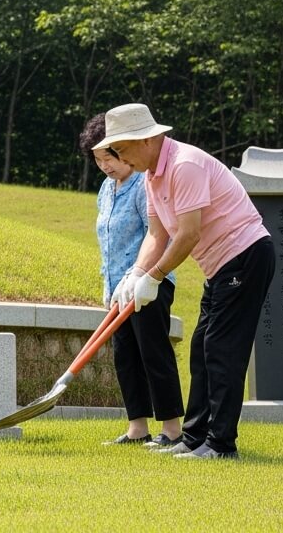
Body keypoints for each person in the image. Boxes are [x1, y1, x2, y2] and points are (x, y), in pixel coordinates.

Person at [99, 103, 274, 461]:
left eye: (122, 148)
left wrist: (156, 276)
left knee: (222, 352)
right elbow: (157, 234)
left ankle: (221, 444)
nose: (119, 156)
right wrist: (136, 274)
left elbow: (189, 234)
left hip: (245, 256)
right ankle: (195, 438)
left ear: (146, 139)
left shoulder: (184, 165)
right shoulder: (150, 177)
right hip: (220, 267)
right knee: (201, 349)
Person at [79, 113, 185, 450]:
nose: (105, 166)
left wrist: (141, 277)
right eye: (98, 160)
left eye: (109, 157)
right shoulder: (106, 190)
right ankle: (137, 427)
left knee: (153, 352)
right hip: (117, 290)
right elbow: (108, 241)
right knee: (125, 356)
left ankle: (171, 429)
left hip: (149, 284)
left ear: (124, 151)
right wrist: (110, 288)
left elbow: (158, 234)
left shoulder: (145, 185)